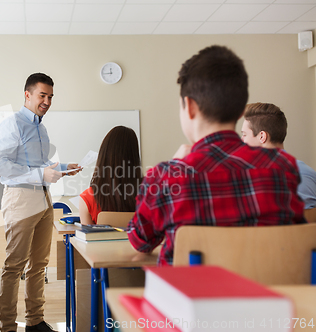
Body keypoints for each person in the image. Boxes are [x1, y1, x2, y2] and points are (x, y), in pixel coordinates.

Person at [127, 45, 306, 266]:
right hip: (267, 298)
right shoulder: (283, 167)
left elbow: (139, 240)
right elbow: (298, 239)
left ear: (189, 107)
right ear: (241, 111)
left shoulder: (166, 176)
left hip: (190, 297)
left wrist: (174, 164)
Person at [0, 73, 80, 332]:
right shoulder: (13, 124)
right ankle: (8, 326)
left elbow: (38, 164)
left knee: (39, 265)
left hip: (43, 198)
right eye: (42, 95)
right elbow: (2, 166)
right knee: (14, 265)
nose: (47, 101)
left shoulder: (40, 127)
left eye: (50, 96)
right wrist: (41, 174)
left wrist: (63, 167)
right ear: (27, 94)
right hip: (20, 198)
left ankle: (35, 321)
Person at [241, 102, 316, 222]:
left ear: (262, 137)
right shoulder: (308, 173)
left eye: (244, 134)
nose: (242, 141)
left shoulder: (252, 179)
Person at [79, 125, 142, 225]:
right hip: (137, 241)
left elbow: (88, 239)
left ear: (103, 156)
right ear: (134, 156)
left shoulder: (87, 198)